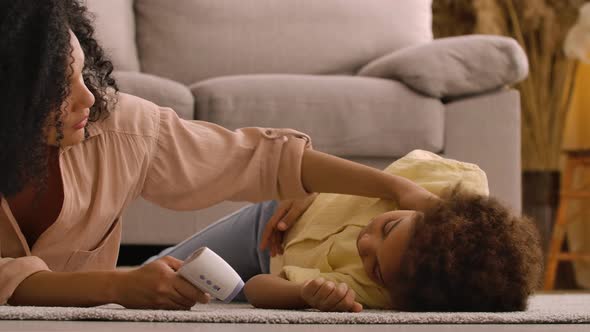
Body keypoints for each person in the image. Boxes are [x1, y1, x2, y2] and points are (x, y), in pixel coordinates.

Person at [0, 0, 437, 309]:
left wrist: (395, 185)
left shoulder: (121, 129)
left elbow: (256, 159)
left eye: (81, 72)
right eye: (59, 87)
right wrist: (115, 286)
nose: (88, 97)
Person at [149, 150, 544, 312]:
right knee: (154, 271)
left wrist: (304, 294)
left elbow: (257, 288)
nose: (364, 243)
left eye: (374, 265)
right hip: (273, 219)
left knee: (171, 288)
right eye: (389, 227)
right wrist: (404, 191)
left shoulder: (380, 289)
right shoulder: (449, 193)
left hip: (269, 260)